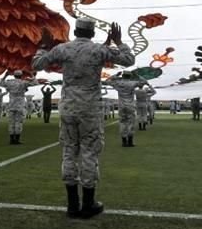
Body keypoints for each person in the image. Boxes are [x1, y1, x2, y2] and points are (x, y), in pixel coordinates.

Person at [32, 18, 134, 218]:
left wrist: (43, 45)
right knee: (89, 151)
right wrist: (118, 41)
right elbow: (128, 60)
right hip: (89, 108)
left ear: (76, 31)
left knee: (69, 151)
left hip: (68, 107)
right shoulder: (98, 50)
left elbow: (37, 64)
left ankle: (72, 205)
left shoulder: (63, 49)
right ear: (92, 33)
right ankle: (88, 204)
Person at [106, 72, 142, 148]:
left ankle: (124, 141)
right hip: (130, 105)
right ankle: (130, 141)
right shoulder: (132, 83)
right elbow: (144, 82)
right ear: (130, 76)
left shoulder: (118, 83)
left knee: (122, 122)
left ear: (122, 76)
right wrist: (138, 75)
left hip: (121, 105)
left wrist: (115, 75)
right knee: (130, 122)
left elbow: (107, 81)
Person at [0, 71, 35, 145]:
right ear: (21, 76)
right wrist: (32, 75)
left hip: (11, 104)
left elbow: (0, 83)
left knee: (11, 122)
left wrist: (5, 75)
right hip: (20, 104)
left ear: (14, 75)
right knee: (18, 122)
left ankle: (11, 139)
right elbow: (35, 83)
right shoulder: (23, 82)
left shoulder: (9, 82)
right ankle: (17, 139)